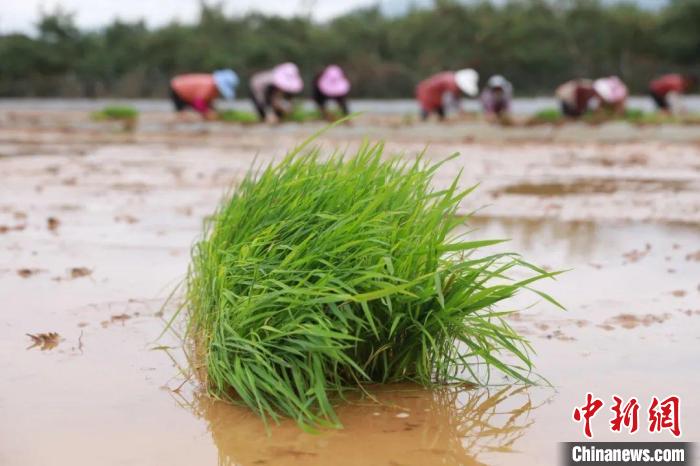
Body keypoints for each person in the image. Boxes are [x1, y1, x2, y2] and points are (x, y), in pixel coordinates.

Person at [169, 69, 239, 119]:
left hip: (187, 91)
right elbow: (198, 102)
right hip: (178, 90)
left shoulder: (213, 88)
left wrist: (210, 110)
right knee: (182, 113)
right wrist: (207, 112)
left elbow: (206, 101)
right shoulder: (209, 85)